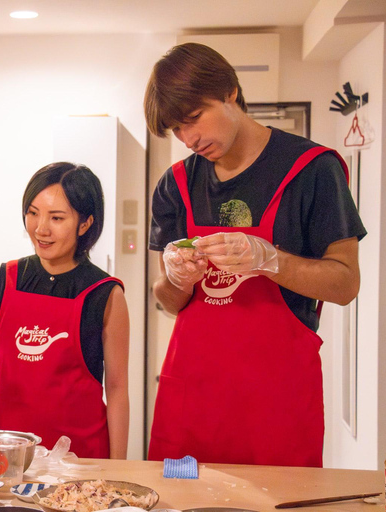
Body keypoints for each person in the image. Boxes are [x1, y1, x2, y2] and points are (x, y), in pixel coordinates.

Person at [145, 43, 366, 467]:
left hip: (275, 403)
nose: (189, 139)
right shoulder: (175, 184)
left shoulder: (313, 170)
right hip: (193, 398)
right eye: (176, 129)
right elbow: (168, 301)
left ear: (230, 92)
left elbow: (345, 284)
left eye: (193, 119)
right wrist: (177, 279)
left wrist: (269, 260)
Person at [0, 162, 130, 459]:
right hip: (9, 454)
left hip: (81, 459)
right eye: (32, 213)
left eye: (56, 218)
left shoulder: (106, 293)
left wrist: (118, 467)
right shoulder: (7, 278)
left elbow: (118, 390)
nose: (41, 229)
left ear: (85, 223)